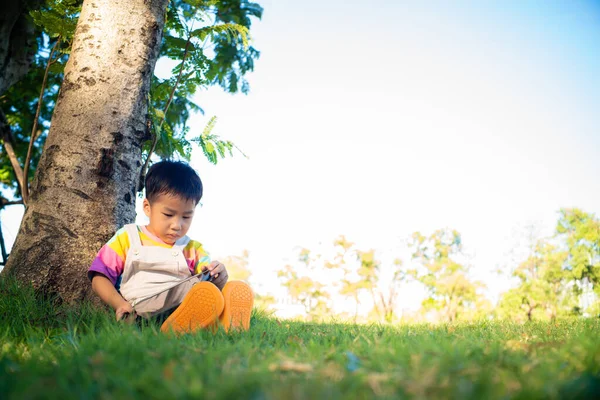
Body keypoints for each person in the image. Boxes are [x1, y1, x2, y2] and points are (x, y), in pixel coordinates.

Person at [87, 160, 254, 333]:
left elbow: (207, 273)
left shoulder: (192, 248)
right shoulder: (128, 237)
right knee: (200, 290)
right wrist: (120, 304)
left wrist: (217, 273)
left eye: (186, 217)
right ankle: (205, 323)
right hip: (142, 310)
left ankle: (226, 323)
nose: (177, 225)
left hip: (184, 305)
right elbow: (99, 276)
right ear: (147, 207)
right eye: (168, 214)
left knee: (208, 288)